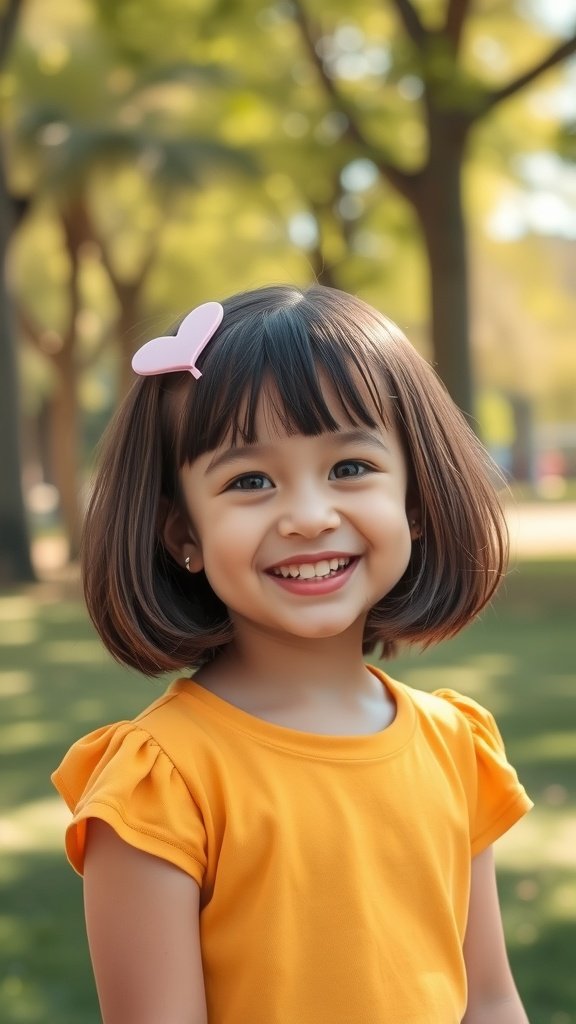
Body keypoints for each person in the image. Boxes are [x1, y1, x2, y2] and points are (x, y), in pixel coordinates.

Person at [52, 284, 532, 1024]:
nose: (309, 517)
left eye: (349, 468)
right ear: (183, 535)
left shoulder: (455, 747)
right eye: (250, 481)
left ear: (414, 499)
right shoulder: (163, 782)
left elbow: (491, 1001)